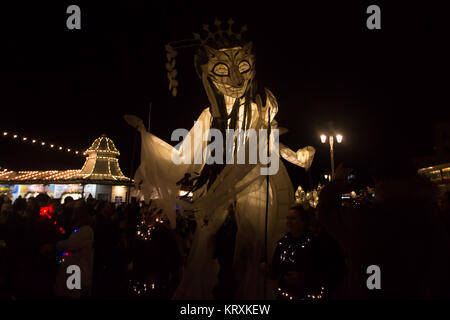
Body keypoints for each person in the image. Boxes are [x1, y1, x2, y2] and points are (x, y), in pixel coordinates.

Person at [318, 159, 450, 299]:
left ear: (380, 183)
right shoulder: (432, 215)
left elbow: (327, 212)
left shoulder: (368, 219)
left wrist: (337, 182)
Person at [269, 205, 327, 300]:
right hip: (285, 295)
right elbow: (276, 270)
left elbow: (324, 269)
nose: (289, 222)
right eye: (287, 218)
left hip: (308, 295)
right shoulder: (283, 242)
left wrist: (304, 277)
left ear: (303, 221)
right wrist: (267, 268)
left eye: (293, 218)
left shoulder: (314, 242)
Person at [54, 201, 94, 298]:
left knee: (73, 293)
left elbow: (70, 245)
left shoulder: (85, 230)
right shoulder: (80, 228)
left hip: (77, 269)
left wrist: (58, 244)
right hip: (75, 267)